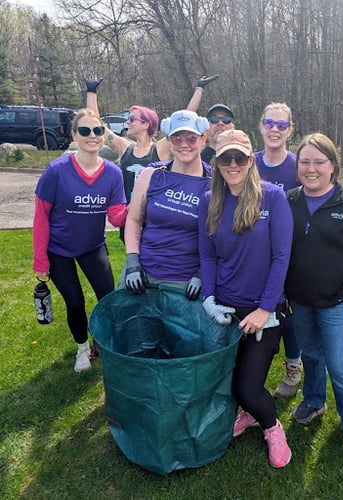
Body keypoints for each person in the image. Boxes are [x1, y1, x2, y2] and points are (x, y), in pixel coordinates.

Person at [198, 129, 293, 469]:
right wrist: (208, 298)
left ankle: (271, 426)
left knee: (248, 389)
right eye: (226, 158)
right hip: (225, 307)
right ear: (217, 163)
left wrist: (265, 309)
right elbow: (207, 255)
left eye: (240, 157)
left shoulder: (273, 197)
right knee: (226, 380)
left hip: (263, 310)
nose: (233, 164)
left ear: (251, 160)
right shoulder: (209, 200)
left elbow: (281, 257)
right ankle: (250, 413)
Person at [285, 133, 343, 464]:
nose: (311, 169)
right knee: (311, 354)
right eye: (304, 162)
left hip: (338, 301)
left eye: (318, 162)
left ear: (333, 166)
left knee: (340, 366)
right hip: (300, 299)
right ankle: (314, 400)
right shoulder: (289, 200)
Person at [32, 109, 127, 372]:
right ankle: (82, 348)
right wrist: (40, 260)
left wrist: (136, 207)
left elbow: (116, 217)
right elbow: (41, 218)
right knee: (74, 301)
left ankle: (104, 343)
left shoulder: (113, 173)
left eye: (97, 130)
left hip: (92, 246)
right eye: (85, 130)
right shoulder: (56, 171)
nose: (92, 136)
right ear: (74, 135)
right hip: (59, 250)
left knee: (107, 299)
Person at [85, 75, 219, 237]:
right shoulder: (125, 148)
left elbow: (185, 118)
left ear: (146, 124)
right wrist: (91, 92)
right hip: (129, 219)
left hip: (154, 220)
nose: (128, 122)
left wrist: (199, 89)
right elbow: (97, 125)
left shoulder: (160, 148)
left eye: (132, 118)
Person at [122, 109, 211, 300]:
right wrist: (132, 261)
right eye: (177, 138)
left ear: (203, 139)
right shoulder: (151, 175)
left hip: (184, 282)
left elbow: (219, 236)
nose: (184, 144)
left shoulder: (213, 183)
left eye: (191, 138)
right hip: (143, 274)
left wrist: (202, 273)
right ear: (169, 141)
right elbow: (134, 220)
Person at [254, 102, 303, 399]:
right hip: (253, 254)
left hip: (291, 252)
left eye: (281, 125)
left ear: (290, 130)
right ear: (261, 126)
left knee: (291, 314)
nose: (275, 129)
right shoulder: (247, 162)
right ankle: (250, 369)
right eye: (269, 123)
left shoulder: (299, 167)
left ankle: (293, 366)